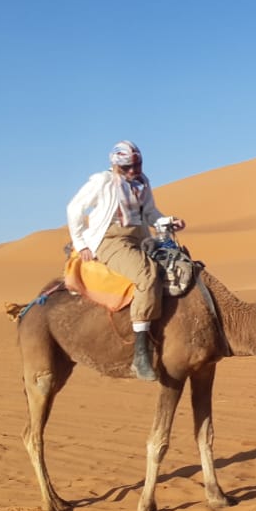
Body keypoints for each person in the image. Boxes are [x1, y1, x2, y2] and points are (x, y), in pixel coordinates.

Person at [66, 140, 185, 381]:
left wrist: (168, 221)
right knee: (147, 275)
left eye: (137, 165)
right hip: (111, 240)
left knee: (179, 265)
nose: (133, 171)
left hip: (140, 236)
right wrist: (81, 243)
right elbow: (74, 209)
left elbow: (150, 213)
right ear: (116, 165)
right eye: (127, 167)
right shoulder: (103, 182)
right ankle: (140, 354)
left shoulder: (142, 182)